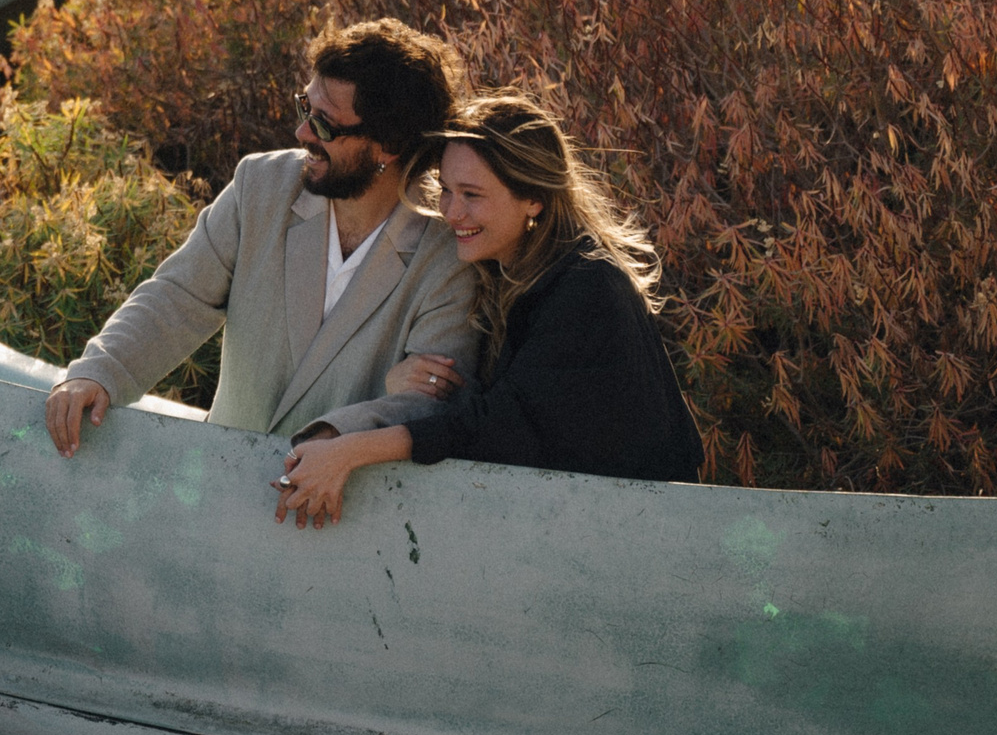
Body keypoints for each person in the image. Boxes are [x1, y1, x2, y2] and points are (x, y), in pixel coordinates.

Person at [46, 18, 480, 455]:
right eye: (303, 109)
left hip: (343, 508)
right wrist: (99, 370)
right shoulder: (262, 184)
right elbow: (177, 297)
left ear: (389, 145)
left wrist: (334, 438)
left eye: (325, 125)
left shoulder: (448, 252)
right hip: (219, 486)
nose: (302, 133)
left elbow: (428, 405)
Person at [271, 91, 702, 525]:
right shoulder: (506, 275)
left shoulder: (588, 287)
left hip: (645, 533)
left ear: (533, 198)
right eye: (446, 190)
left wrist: (349, 450)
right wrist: (399, 381)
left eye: (472, 195)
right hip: (576, 525)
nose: (452, 212)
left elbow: (498, 426)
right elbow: (513, 408)